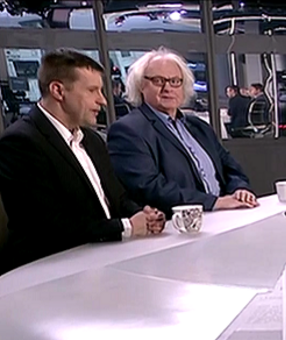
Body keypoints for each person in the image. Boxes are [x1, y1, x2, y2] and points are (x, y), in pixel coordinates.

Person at [0, 49, 164, 274]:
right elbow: (48, 224)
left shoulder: (92, 140)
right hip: (48, 270)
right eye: (92, 90)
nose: (102, 100)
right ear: (58, 90)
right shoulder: (21, 142)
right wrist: (125, 226)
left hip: (102, 258)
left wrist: (142, 214)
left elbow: (117, 197)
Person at [107, 47, 258, 215]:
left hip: (224, 215)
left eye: (175, 81)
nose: (168, 88)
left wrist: (240, 189)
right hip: (178, 224)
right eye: (158, 81)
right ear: (141, 85)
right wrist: (214, 203)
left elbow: (231, 168)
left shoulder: (199, 126)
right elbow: (149, 188)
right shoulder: (128, 130)